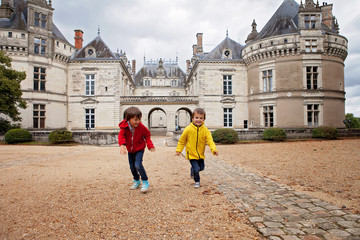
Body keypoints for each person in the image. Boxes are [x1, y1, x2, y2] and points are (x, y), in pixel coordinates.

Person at [175, 108, 218, 188]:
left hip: (200, 154)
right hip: (191, 154)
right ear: (192, 118)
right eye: (196, 118)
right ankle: (197, 181)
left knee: (201, 168)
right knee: (197, 169)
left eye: (201, 118)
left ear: (204, 119)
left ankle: (193, 170)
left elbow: (210, 141)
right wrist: (179, 150)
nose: (198, 120)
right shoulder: (188, 129)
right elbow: (182, 141)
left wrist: (214, 149)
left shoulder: (205, 130)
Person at [118, 106, 155, 193]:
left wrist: (150, 145)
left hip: (139, 149)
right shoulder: (124, 128)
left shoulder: (141, 127)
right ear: (128, 119)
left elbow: (147, 135)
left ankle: (145, 181)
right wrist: (122, 145)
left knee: (138, 164)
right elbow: (121, 136)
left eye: (139, 119)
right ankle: (137, 180)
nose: (137, 121)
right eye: (135, 119)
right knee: (132, 167)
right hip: (130, 151)